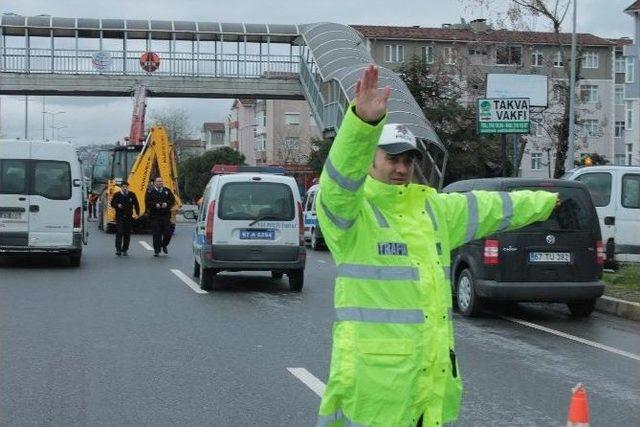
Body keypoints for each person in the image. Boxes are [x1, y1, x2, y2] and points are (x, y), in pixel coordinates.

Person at [315, 65, 560, 427]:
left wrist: (545, 201)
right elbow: (338, 181)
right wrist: (362, 127)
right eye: (392, 159)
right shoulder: (351, 215)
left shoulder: (433, 209)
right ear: (369, 162)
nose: (401, 168)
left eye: (408, 160)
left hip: (428, 387)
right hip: (373, 389)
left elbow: (492, 207)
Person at [145, 176, 176, 257]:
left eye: (161, 181)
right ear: (155, 182)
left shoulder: (167, 191)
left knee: (168, 233)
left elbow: (172, 200)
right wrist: (155, 205)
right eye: (159, 181)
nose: (160, 183)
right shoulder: (150, 191)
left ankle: (164, 244)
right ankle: (157, 250)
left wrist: (167, 204)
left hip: (165, 216)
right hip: (155, 216)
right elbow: (147, 203)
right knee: (157, 234)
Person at [110, 181, 139, 257]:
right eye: (123, 187)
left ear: (128, 187)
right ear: (121, 187)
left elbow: (136, 204)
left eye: (126, 187)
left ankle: (125, 249)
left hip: (128, 217)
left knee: (127, 234)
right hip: (119, 217)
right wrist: (117, 205)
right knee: (119, 232)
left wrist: (137, 213)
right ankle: (118, 249)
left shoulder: (132, 195)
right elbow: (112, 203)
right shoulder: (117, 195)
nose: (125, 188)